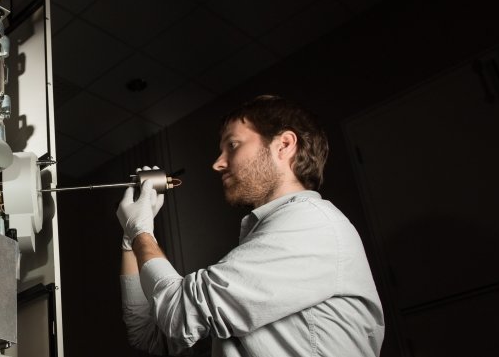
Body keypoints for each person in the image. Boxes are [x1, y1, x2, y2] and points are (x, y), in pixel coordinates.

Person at [117, 95, 385, 356]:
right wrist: (132, 240)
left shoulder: (313, 224)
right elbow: (149, 336)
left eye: (232, 145)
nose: (218, 163)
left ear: (284, 145)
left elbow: (180, 313)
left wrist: (142, 232)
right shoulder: (262, 245)